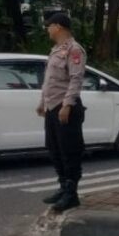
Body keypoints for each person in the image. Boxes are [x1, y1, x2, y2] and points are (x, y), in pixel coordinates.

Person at [36, 12, 87, 212]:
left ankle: (71, 193)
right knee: (54, 148)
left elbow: (76, 79)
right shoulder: (56, 50)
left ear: (58, 27)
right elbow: (49, 82)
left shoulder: (74, 50)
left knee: (70, 150)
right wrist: (42, 103)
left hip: (66, 108)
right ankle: (63, 186)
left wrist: (67, 105)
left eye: (49, 26)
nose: (48, 30)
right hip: (52, 107)